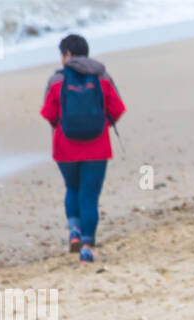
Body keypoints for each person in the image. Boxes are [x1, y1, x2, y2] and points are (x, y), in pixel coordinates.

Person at [40, 34, 126, 264]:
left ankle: (74, 231)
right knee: (89, 196)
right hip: (97, 147)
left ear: (67, 54)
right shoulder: (102, 75)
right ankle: (87, 248)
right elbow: (117, 108)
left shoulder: (57, 80)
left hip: (65, 148)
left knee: (72, 187)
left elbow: (48, 114)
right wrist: (99, 125)